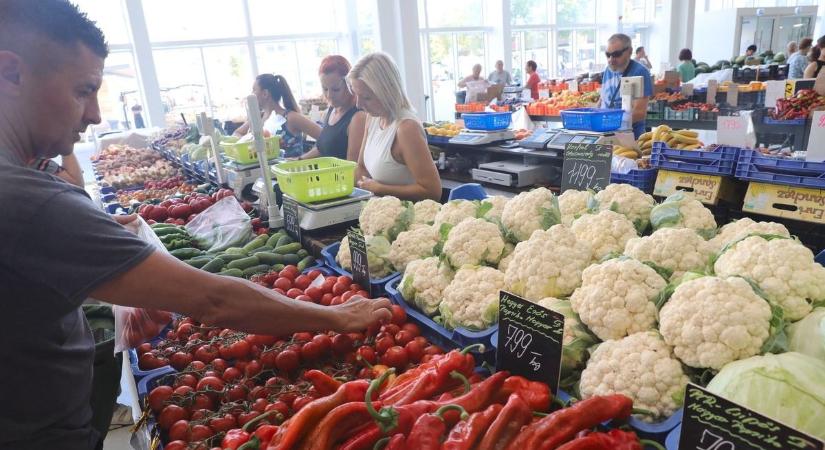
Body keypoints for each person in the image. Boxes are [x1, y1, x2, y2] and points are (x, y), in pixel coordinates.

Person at [0, 2, 392, 449]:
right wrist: (336, 317)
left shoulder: (22, 186)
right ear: (10, 74)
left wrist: (97, 246)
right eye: (83, 90)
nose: (94, 115)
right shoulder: (28, 200)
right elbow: (213, 298)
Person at [348, 52, 441, 201]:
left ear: (387, 91)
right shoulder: (372, 118)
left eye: (366, 97)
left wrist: (380, 189)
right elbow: (362, 168)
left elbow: (432, 191)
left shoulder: (406, 128)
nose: (359, 104)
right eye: (356, 95)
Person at [233, 74, 321, 158]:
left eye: (254, 90)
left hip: (290, 171)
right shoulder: (258, 117)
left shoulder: (291, 118)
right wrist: (251, 142)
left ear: (265, 93)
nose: (251, 94)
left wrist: (302, 158)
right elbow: (236, 134)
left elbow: (325, 137)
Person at [298, 55, 366, 162]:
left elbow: (353, 166)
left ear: (349, 85)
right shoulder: (332, 109)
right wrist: (299, 160)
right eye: (325, 89)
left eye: (336, 89)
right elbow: (323, 148)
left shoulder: (358, 117)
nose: (329, 95)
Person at [599, 33, 653, 139]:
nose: (611, 59)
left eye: (616, 54)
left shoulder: (640, 72)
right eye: (608, 55)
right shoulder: (608, 70)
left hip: (631, 137)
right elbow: (603, 100)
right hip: (605, 134)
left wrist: (611, 123)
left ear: (629, 52)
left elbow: (640, 112)